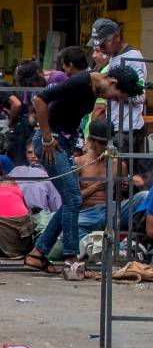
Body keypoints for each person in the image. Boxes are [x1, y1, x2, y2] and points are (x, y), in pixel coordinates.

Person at [24, 64, 143, 280]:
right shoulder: (81, 82)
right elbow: (40, 99)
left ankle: (38, 254)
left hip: (64, 144)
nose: (114, 100)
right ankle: (71, 260)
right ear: (112, 82)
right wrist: (47, 136)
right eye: (117, 96)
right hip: (51, 143)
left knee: (72, 199)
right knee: (73, 198)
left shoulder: (94, 90)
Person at [75, 119, 148, 242]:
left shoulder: (117, 164)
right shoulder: (79, 163)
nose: (106, 147)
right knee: (65, 229)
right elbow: (72, 200)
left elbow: (124, 197)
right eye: (102, 143)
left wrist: (125, 188)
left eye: (109, 143)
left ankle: (135, 242)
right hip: (87, 213)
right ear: (91, 141)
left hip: (112, 211)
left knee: (145, 196)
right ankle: (98, 245)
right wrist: (97, 186)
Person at [90, 18, 148, 153]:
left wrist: (115, 94)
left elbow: (140, 96)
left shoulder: (132, 58)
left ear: (117, 36)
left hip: (128, 130)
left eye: (104, 44)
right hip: (114, 128)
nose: (102, 49)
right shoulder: (113, 57)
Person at [8, 140, 62, 213]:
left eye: (36, 152)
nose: (33, 156)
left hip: (43, 218)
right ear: (26, 154)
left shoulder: (51, 173)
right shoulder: (17, 172)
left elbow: (56, 205)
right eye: (29, 152)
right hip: (18, 216)